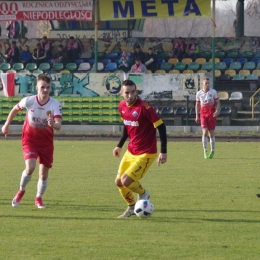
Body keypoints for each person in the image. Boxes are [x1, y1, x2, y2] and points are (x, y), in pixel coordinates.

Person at [1, 75, 62, 208]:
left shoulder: (55, 104)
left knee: (43, 175)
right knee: (30, 168)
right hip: (30, 139)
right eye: (42, 87)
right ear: (37, 88)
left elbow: (59, 125)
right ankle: (21, 191)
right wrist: (6, 125)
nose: (45, 90)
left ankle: (38, 198)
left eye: (47, 87)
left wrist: (53, 124)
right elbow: (15, 109)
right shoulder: (29, 101)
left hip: (46, 143)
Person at [113, 79, 167, 218]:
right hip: (131, 151)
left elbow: (161, 126)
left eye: (133, 92)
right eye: (127, 93)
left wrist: (163, 151)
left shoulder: (144, 107)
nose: (130, 95)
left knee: (126, 181)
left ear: (136, 91)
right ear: (121, 93)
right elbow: (127, 127)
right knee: (119, 182)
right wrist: (119, 145)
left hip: (146, 153)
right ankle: (131, 207)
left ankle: (143, 194)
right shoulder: (122, 107)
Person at [195, 77, 220, 159]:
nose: (207, 84)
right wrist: (197, 115)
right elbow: (197, 105)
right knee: (205, 133)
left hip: (211, 115)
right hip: (203, 115)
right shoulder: (199, 93)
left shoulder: (213, 92)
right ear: (202, 84)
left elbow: (218, 103)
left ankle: (212, 151)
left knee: (211, 134)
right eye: (206, 83)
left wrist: (217, 111)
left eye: (208, 83)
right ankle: (205, 151)